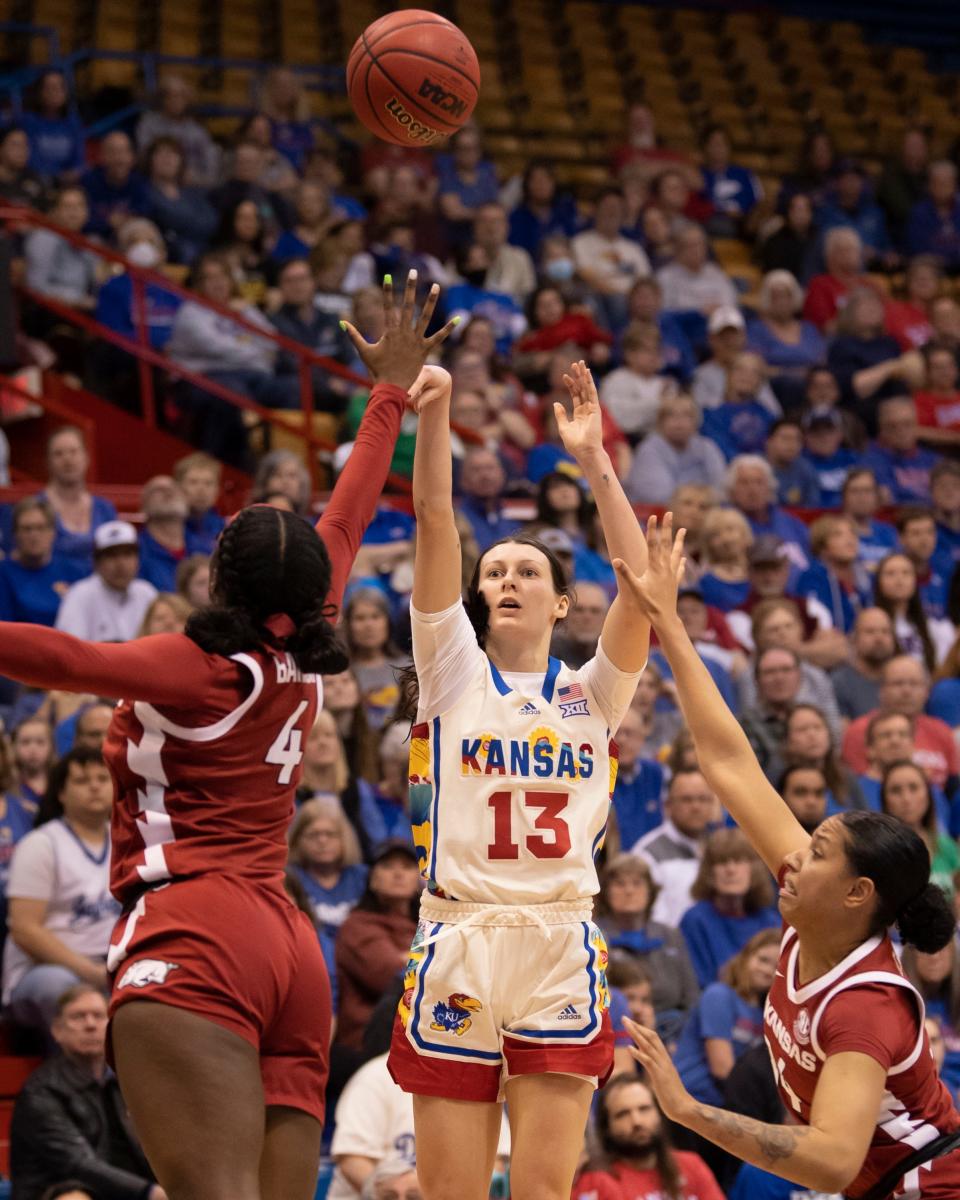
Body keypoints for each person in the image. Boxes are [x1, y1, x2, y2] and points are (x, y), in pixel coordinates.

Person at [0, 273, 455, 1200]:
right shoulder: (311, 626)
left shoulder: (201, 667)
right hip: (292, 950)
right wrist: (390, 391)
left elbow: (62, 657)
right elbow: (353, 503)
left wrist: (391, 392)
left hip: (197, 929)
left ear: (224, 580)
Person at [618, 514, 960, 1199]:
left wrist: (689, 1112)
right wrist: (670, 628)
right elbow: (730, 764)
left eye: (820, 850)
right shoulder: (818, 900)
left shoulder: (865, 1006)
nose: (797, 856)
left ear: (858, 892)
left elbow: (832, 1160)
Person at [388, 356, 651, 1200]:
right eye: (494, 570)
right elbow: (434, 516)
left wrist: (595, 462)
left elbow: (642, 591)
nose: (506, 579)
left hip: (558, 942)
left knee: (543, 1193)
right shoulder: (451, 672)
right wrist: (438, 409)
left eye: (526, 571)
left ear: (560, 601)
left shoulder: (591, 694)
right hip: (460, 936)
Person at [3, 747, 119, 1033]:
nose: (94, 786)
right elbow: (25, 930)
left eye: (102, 779)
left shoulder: (128, 840)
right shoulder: (41, 844)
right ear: (61, 793)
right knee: (65, 990)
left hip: (110, 966)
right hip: (43, 971)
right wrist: (91, 973)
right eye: (81, 781)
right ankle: (82, 1078)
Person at [9, 984, 162, 1200]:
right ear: (57, 1030)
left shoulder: (128, 1080)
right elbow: (78, 1164)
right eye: (78, 1017)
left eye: (99, 1016)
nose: (90, 1025)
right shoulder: (41, 1091)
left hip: (125, 1189)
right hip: (59, 1190)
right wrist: (151, 1192)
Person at [593, 854, 699, 1037]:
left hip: (671, 1030)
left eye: (637, 883)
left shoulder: (670, 935)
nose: (629, 891)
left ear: (650, 891)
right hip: (616, 1031)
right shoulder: (594, 934)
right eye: (620, 884)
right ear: (606, 892)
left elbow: (691, 998)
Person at [572, 1075, 724, 1200]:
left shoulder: (691, 1165)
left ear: (659, 1114)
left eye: (644, 1109)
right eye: (623, 1114)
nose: (637, 1121)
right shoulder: (596, 1179)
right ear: (607, 1127)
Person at [674, 929, 780, 1107]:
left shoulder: (766, 1014)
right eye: (763, 960)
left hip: (727, 1104)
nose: (768, 970)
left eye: (777, 967)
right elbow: (721, 1067)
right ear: (745, 957)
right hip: (694, 1100)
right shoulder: (719, 995)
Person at [335, 839, 420, 1051]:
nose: (398, 874)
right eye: (388, 866)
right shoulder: (357, 925)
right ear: (372, 878)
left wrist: (407, 957)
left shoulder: (424, 924)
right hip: (368, 1042)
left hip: (416, 1034)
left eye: (407, 867)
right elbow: (391, 977)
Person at [678, 829, 779, 988]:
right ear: (709, 872)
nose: (730, 870)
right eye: (722, 862)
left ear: (754, 869)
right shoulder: (695, 919)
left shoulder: (770, 920)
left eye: (739, 861)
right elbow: (701, 984)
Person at [270, 258, 356, 414]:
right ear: (281, 287)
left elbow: (350, 358)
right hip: (307, 395)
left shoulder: (332, 319)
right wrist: (329, 383)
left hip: (342, 391)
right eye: (290, 281)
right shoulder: (273, 324)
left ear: (313, 282)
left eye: (302, 279)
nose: (298, 286)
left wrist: (351, 384)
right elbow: (293, 364)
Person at [633, 768, 716, 927]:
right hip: (671, 947)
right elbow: (652, 920)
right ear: (668, 806)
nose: (696, 807)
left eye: (703, 799)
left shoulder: (720, 847)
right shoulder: (647, 853)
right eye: (687, 799)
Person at [55, 522, 158, 643]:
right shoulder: (79, 595)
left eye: (127, 554)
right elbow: (71, 649)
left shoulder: (147, 593)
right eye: (112, 556)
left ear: (138, 559)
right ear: (97, 562)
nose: (121, 564)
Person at [39, 427, 118, 576]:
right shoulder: (37, 508)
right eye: (58, 454)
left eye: (74, 452)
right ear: (48, 462)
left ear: (86, 457)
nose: (67, 459)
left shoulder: (105, 509)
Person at [624, 392, 726, 505]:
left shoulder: (706, 447)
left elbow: (721, 487)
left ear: (696, 422)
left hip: (704, 511)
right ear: (660, 423)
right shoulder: (649, 449)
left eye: (686, 416)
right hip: (656, 515)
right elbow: (657, 496)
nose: (679, 422)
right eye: (671, 415)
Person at [572, 189, 652, 327]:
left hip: (633, 301)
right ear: (595, 210)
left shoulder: (633, 248)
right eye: (607, 207)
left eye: (617, 208)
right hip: (601, 299)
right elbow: (585, 274)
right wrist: (622, 294)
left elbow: (645, 280)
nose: (612, 213)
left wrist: (635, 298)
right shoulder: (581, 242)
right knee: (613, 300)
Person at [0, 498, 84, 626]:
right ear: (15, 534)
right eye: (27, 529)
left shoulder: (75, 572)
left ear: (53, 532)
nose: (34, 535)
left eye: (40, 528)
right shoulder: (3, 574)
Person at [881, 761, 959, 898]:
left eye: (914, 788)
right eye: (896, 790)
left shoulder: (946, 845)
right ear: (884, 799)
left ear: (928, 794)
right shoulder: (877, 852)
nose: (906, 799)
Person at [141, 135, 217, 265]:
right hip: (169, 251)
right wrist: (191, 223)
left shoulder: (193, 193)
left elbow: (211, 221)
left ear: (181, 161)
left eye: (173, 154)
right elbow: (165, 217)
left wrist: (180, 225)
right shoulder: (143, 191)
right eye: (161, 153)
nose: (167, 159)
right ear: (150, 160)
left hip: (201, 247)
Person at [136, 73, 220, 187]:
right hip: (156, 184)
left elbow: (210, 164)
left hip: (192, 186)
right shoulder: (149, 124)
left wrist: (198, 178)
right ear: (162, 98)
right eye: (171, 96)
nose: (176, 100)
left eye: (181, 96)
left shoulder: (197, 130)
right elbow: (144, 156)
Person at [873, 552, 953, 670]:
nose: (899, 579)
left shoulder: (931, 626)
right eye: (890, 573)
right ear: (878, 582)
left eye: (906, 573)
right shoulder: (871, 624)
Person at [24, 186, 98, 312]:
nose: (74, 213)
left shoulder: (90, 242)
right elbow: (35, 286)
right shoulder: (44, 238)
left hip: (81, 310)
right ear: (55, 211)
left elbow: (97, 282)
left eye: (79, 206)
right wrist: (77, 300)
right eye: (67, 207)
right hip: (49, 312)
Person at [344, 589, 408, 731]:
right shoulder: (341, 673)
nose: (369, 625)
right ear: (348, 625)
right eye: (360, 618)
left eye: (375, 617)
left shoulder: (407, 668)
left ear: (388, 622)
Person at [863, 396, 940, 504]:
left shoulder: (934, 461)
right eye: (893, 426)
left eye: (907, 424)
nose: (901, 432)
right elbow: (889, 499)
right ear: (882, 430)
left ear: (917, 426)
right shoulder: (871, 460)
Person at [802, 226, 875, 331]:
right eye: (846, 250)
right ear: (830, 255)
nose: (853, 255)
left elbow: (887, 321)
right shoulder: (819, 285)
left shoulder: (870, 285)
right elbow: (824, 327)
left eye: (855, 249)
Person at [831, 606, 897, 721]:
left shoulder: (903, 679)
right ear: (854, 639)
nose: (879, 638)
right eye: (870, 632)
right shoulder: (839, 683)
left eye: (885, 632)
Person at [656, 223, 737, 315]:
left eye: (700, 244)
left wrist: (718, 309)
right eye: (691, 246)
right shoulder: (665, 277)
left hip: (718, 323)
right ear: (678, 249)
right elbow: (666, 311)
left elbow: (731, 301)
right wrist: (699, 312)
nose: (697, 250)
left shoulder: (715, 272)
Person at [81, 131, 147, 241]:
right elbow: (82, 220)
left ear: (132, 157)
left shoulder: (140, 182)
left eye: (124, 152)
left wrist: (125, 221)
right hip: (96, 238)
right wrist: (108, 222)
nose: (119, 158)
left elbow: (146, 212)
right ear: (102, 156)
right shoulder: (88, 182)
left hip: (130, 235)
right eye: (113, 152)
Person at [21, 69, 85, 181]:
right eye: (49, 88)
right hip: (37, 180)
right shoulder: (29, 121)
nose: (55, 92)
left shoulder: (73, 122)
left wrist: (73, 172)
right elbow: (29, 159)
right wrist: (56, 176)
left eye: (60, 87)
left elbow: (78, 159)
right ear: (39, 92)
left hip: (68, 182)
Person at [841, 467, 898, 569]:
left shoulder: (889, 533)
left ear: (876, 496)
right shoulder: (836, 533)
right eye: (855, 491)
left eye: (867, 491)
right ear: (844, 496)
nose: (862, 497)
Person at [907, 161, 960, 272]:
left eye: (946, 183)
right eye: (938, 183)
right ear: (929, 185)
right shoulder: (919, 213)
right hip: (930, 271)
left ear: (955, 185)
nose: (942, 188)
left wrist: (947, 259)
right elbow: (917, 249)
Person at [758, 192, 818, 283]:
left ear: (811, 213)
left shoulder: (820, 238)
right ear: (789, 213)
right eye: (796, 210)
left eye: (804, 210)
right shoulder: (775, 242)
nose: (800, 215)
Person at [173, 452, 224, 555]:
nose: (201, 490)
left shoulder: (224, 529)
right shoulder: (166, 528)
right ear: (178, 487)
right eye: (193, 482)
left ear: (217, 490)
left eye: (208, 483)